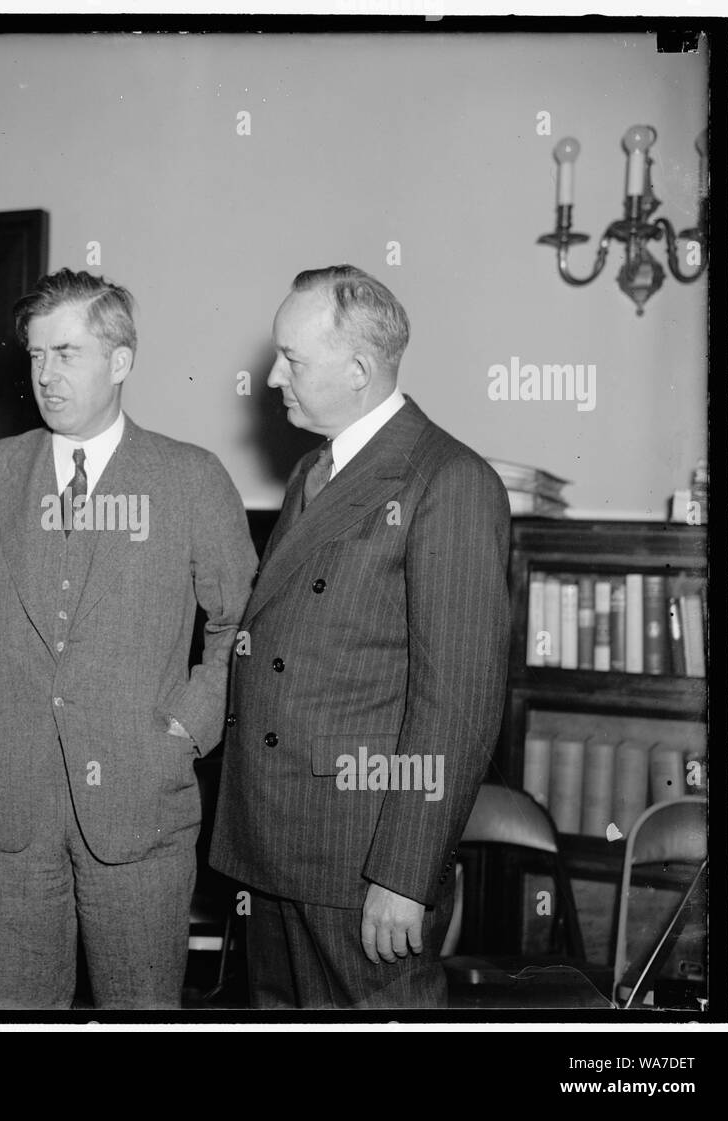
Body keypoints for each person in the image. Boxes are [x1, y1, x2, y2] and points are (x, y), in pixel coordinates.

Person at [0, 268, 257, 1008]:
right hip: (9, 801)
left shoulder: (191, 478)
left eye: (67, 353)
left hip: (141, 804)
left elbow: (240, 626)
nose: (45, 374)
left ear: (120, 362)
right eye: (37, 354)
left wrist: (186, 727)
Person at [210, 265, 511, 1009]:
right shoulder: (316, 469)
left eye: (293, 359)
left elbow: (458, 705)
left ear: (358, 369)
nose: (273, 374)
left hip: (361, 856)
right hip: (277, 839)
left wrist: (404, 875)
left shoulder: (448, 480)